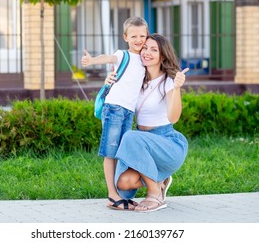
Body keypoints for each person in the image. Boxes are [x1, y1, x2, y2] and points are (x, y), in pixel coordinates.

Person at [105, 33, 189, 212]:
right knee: (123, 184)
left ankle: (155, 193)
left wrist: (176, 88)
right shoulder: (136, 79)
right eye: (145, 48)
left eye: (153, 49)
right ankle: (160, 178)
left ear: (163, 56)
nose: (147, 52)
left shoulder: (168, 81)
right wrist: (109, 82)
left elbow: (173, 118)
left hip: (166, 142)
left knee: (131, 137)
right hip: (141, 144)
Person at [81, 16, 148, 210]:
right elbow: (108, 58)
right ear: (125, 37)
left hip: (128, 111)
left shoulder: (144, 59)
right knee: (110, 152)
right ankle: (112, 195)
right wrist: (92, 60)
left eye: (142, 36)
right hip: (114, 108)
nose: (138, 40)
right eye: (134, 36)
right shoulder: (123, 55)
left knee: (121, 152)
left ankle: (120, 194)